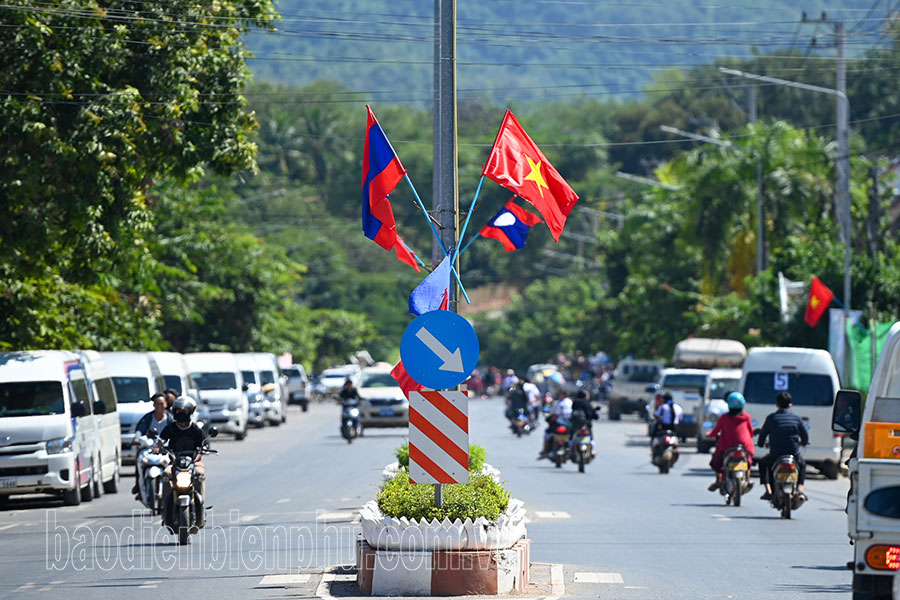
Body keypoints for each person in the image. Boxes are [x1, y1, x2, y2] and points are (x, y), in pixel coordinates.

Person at [158, 397, 208, 526]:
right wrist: (157, 447)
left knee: (200, 475)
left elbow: (203, 446)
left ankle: (200, 509)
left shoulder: (196, 429)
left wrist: (199, 454)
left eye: (184, 411)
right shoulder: (170, 428)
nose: (181, 413)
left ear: (190, 412)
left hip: (193, 462)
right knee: (165, 476)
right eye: (178, 410)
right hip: (175, 463)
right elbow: (161, 441)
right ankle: (166, 509)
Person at [757, 391, 809, 501]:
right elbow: (805, 435)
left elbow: (763, 434)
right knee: (802, 465)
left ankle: (768, 490)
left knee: (763, 463)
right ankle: (800, 489)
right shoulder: (797, 418)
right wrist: (803, 442)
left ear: (777, 404)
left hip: (776, 455)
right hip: (793, 454)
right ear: (790, 405)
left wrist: (760, 444)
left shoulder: (771, 418)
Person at [705, 392, 755, 492]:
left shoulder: (724, 418)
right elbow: (751, 432)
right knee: (747, 462)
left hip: (726, 447)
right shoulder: (746, 417)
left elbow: (715, 431)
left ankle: (718, 480)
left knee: (717, 462)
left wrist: (709, 434)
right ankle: (748, 480)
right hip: (744, 446)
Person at [132, 393, 174, 495]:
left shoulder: (170, 419)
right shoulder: (147, 418)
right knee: (139, 459)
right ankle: (138, 485)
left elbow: (176, 431)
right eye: (157, 404)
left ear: (166, 405)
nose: (159, 406)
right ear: (153, 405)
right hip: (149, 449)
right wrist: (136, 439)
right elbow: (139, 431)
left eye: (161, 404)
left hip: (166, 449)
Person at [538, 390, 573, 459]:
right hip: (569, 424)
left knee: (547, 434)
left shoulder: (560, 403)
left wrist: (550, 420)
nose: (559, 396)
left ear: (564, 395)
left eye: (560, 394)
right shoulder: (570, 402)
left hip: (560, 424)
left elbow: (555, 415)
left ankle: (545, 450)